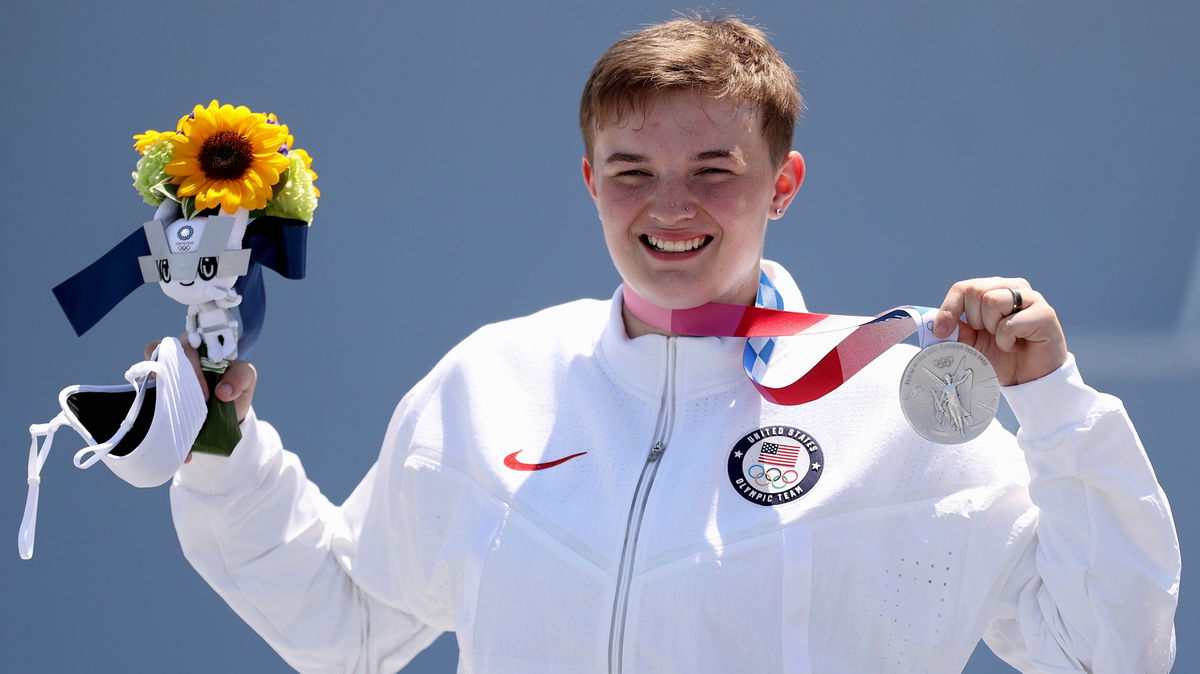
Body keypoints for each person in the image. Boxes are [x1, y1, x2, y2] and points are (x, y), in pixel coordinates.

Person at [164, 15, 1179, 673]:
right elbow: (350, 626)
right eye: (633, 170)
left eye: (713, 167)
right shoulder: (492, 382)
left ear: (784, 183)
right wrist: (219, 450)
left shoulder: (896, 407)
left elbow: (1103, 656)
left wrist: (1057, 409)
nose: (673, 205)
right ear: (589, 181)